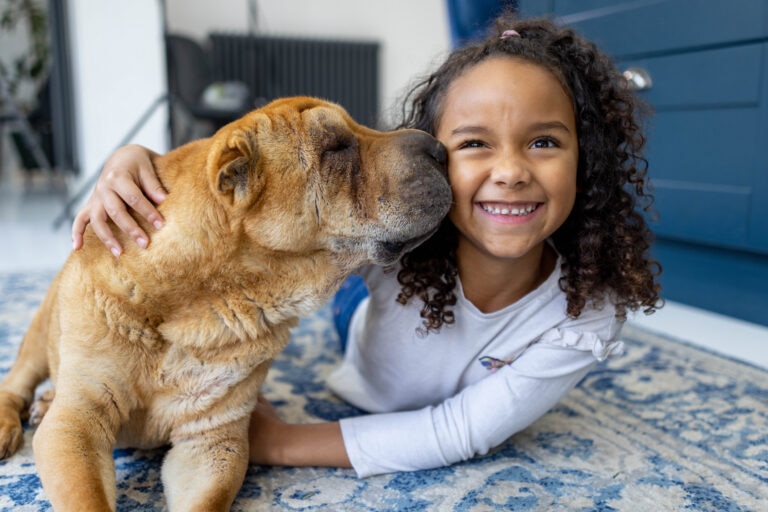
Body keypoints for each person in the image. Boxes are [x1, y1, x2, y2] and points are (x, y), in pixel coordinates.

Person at [71, 14, 662, 478]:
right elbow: (246, 208)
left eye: (543, 142)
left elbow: (459, 432)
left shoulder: (590, 312)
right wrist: (138, 163)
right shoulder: (398, 234)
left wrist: (279, 441)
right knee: (299, 269)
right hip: (368, 312)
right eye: (476, 143)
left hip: (400, 331)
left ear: (589, 161)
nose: (509, 171)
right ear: (434, 160)